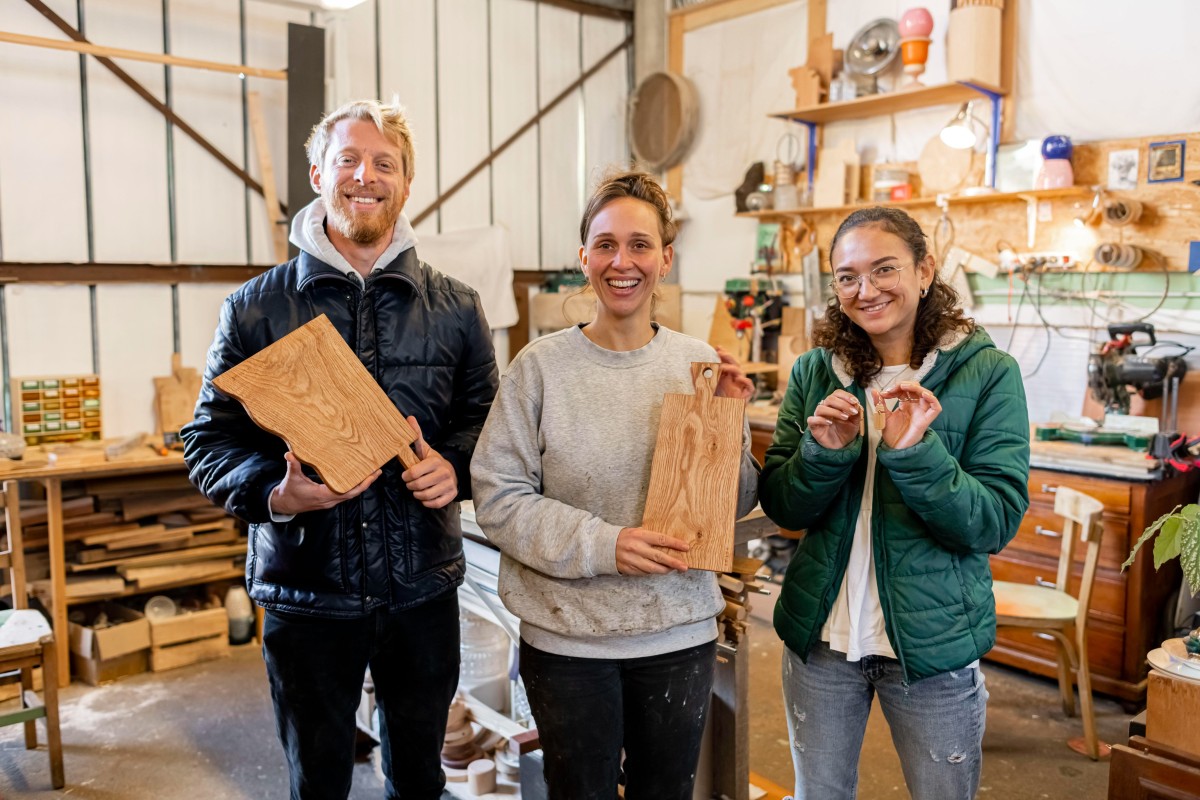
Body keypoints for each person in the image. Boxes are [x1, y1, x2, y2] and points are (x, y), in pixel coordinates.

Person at [182, 99, 498, 800]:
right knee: (318, 780)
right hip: (306, 590)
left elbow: (489, 428)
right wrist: (274, 492)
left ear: (407, 183)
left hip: (421, 588)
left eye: (385, 163)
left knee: (419, 777)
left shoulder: (457, 308)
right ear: (319, 171)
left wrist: (457, 467)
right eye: (349, 159)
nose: (366, 175)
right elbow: (207, 439)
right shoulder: (255, 309)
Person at [469, 170, 759, 800]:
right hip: (568, 641)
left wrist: (726, 432)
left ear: (666, 259)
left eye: (639, 244)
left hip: (677, 634)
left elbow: (726, 509)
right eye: (604, 244)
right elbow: (498, 498)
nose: (621, 261)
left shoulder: (696, 363)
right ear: (583, 257)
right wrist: (606, 545)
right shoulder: (539, 368)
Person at [759, 206, 1030, 799]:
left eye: (885, 269)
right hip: (821, 641)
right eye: (848, 276)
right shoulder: (814, 372)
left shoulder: (988, 374)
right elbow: (785, 508)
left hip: (933, 651)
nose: (866, 289)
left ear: (925, 270)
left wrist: (917, 453)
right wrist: (822, 453)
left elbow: (993, 522)